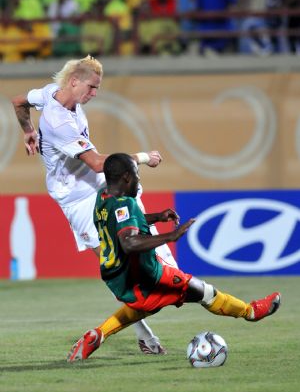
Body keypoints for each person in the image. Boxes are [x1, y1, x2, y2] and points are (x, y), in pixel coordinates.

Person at [11, 55, 175, 355]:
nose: (94, 94)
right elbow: (99, 164)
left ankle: (163, 282)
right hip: (79, 201)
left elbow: (18, 101)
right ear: (74, 81)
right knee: (121, 271)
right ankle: (145, 337)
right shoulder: (57, 120)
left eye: (97, 88)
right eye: (92, 87)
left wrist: (27, 131)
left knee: (158, 270)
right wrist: (143, 157)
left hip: (103, 189)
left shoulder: (49, 92)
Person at [67, 152, 281, 362]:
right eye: (137, 175)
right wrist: (171, 235)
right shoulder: (126, 203)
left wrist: (156, 217)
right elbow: (129, 242)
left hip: (120, 277)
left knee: (144, 305)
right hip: (145, 274)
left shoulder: (103, 198)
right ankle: (251, 312)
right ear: (126, 177)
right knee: (203, 291)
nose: (139, 180)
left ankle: (97, 335)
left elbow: (122, 223)